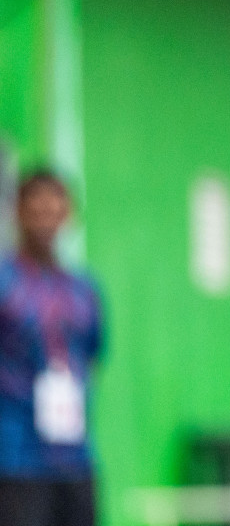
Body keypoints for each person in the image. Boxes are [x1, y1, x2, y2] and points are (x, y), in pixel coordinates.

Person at [0, 170, 104, 526]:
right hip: (16, 458)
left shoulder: (84, 290)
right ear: (18, 213)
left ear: (68, 215)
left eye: (54, 211)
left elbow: (92, 356)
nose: (45, 221)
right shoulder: (6, 283)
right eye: (36, 210)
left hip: (74, 457)